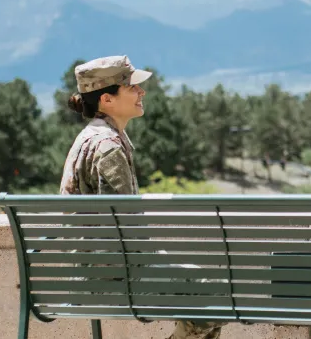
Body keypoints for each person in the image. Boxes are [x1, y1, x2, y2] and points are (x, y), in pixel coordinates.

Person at [60, 55, 223, 339]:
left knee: (196, 282)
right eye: (132, 87)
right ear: (106, 100)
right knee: (211, 288)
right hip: (112, 281)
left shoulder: (90, 137)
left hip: (90, 275)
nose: (141, 91)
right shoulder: (108, 147)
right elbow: (128, 228)